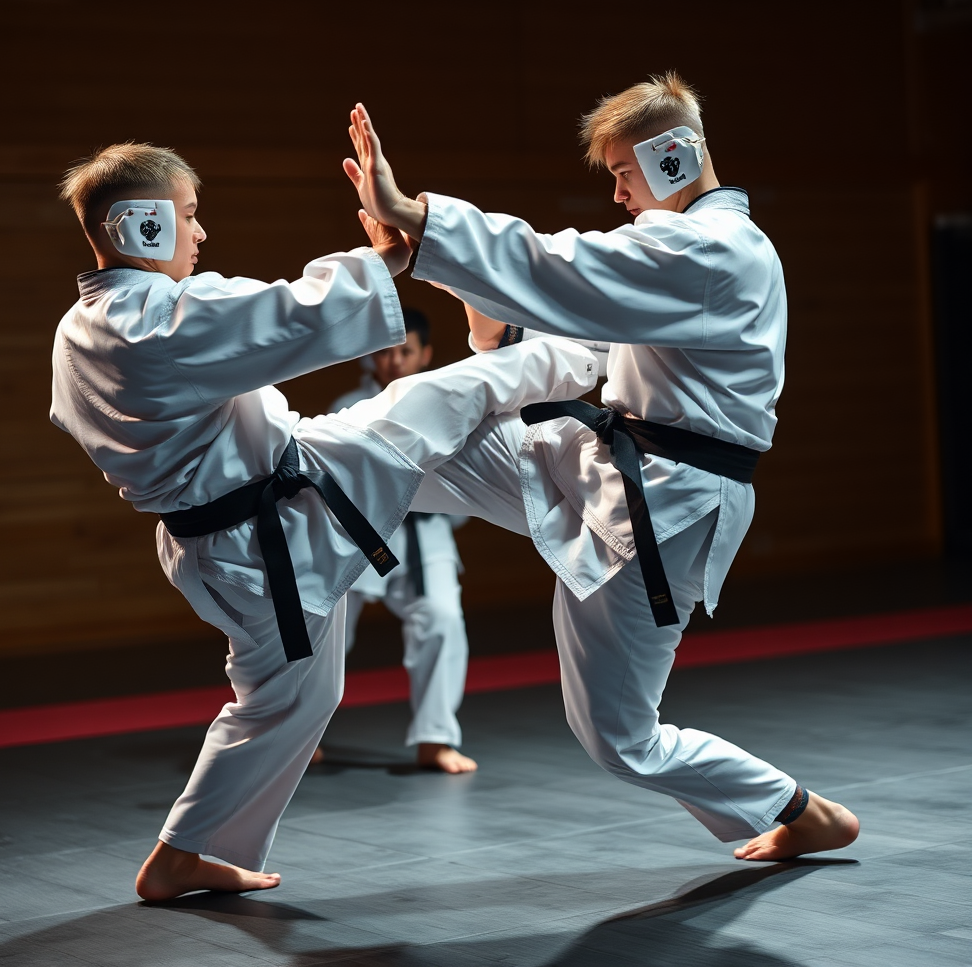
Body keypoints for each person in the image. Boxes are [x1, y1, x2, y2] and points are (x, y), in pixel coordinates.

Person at [50, 142, 598, 900]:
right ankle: (595, 359)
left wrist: (375, 268)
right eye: (187, 217)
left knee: (297, 695)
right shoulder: (146, 327)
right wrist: (382, 264)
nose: (199, 234)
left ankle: (184, 853)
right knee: (440, 405)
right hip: (259, 531)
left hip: (274, 496)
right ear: (140, 226)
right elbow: (278, 315)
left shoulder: (88, 328)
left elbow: (247, 316)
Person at [343, 73, 860, 862]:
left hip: (668, 503)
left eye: (623, 174)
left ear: (673, 158)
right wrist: (461, 289)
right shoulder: (682, 254)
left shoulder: (712, 249)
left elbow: (566, 272)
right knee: (409, 445)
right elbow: (583, 343)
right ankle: (299, 456)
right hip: (599, 464)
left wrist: (419, 219)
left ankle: (796, 807)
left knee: (620, 738)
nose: (619, 196)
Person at [321, 307, 476, 773]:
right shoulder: (348, 408)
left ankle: (435, 739)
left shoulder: (449, 407)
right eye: (386, 351)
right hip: (361, 538)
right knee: (328, 632)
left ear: (425, 354)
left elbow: (468, 483)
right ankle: (300, 735)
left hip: (426, 536)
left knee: (443, 620)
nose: (394, 361)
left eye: (405, 351)